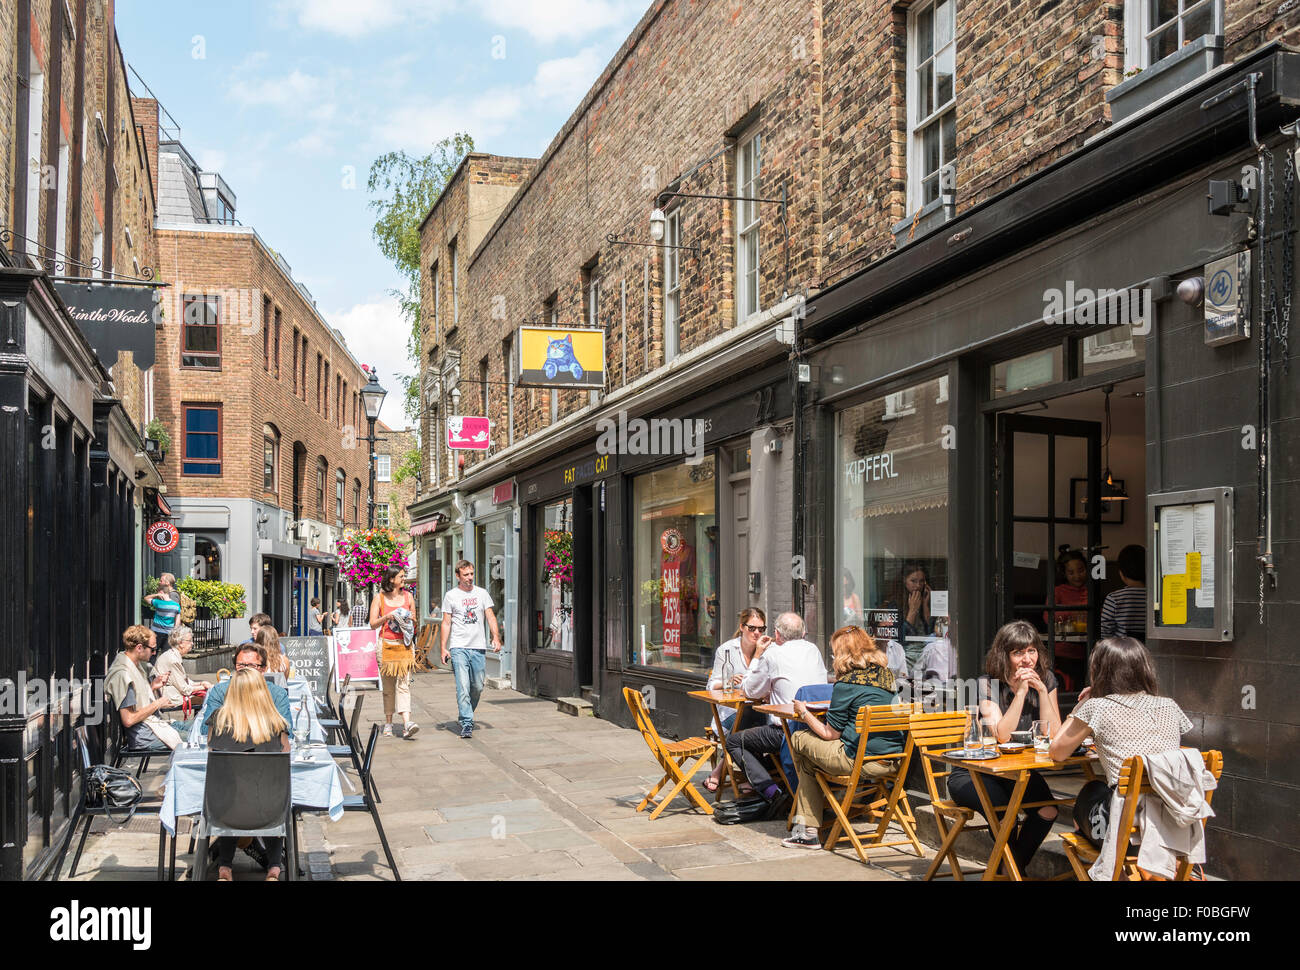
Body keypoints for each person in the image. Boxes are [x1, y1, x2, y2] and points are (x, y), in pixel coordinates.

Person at [1050, 636, 1193, 851]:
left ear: (1099, 670)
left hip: (1126, 825)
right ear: (1144, 668)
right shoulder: (1169, 706)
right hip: (1174, 822)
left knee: (1089, 792)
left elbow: (1057, 752)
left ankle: (1114, 872)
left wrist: (1082, 706)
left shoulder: (1097, 707)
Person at [947, 620, 1063, 873]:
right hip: (975, 772)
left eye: (1031, 651)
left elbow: (1054, 734)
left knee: (1048, 810)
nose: (1027, 659)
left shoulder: (1047, 679)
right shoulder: (987, 683)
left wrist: (1042, 692)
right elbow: (1001, 735)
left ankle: (1008, 871)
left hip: (1015, 771)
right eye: (1018, 652)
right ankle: (1010, 873)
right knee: (1005, 818)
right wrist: (1021, 693)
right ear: (1004, 655)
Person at [784, 626, 904, 848]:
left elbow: (830, 734)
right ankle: (809, 826)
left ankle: (809, 830)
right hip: (893, 761)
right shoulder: (887, 676)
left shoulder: (847, 683)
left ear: (841, 653)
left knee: (800, 739)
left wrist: (804, 712)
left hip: (859, 761)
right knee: (809, 761)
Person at [716, 613, 827, 824]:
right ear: (804, 633)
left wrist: (757, 656)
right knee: (754, 733)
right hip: (816, 727)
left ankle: (772, 793)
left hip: (787, 730)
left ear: (776, 634)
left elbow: (750, 690)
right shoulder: (813, 650)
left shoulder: (774, 654)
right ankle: (777, 786)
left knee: (734, 741)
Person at [208, 668, 291, 882]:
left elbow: (212, 756)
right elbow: (285, 757)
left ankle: (225, 868)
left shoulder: (218, 719)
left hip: (224, 811)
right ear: (262, 691)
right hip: (269, 810)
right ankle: (273, 868)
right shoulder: (276, 723)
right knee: (270, 792)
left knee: (231, 794)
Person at [702, 608, 767, 794]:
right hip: (729, 714)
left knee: (756, 719)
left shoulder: (767, 650)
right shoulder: (727, 650)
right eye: (752, 628)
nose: (757, 633)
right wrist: (727, 682)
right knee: (746, 718)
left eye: (761, 629)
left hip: (759, 711)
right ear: (742, 627)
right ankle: (753, 778)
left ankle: (722, 770)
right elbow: (710, 686)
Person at [439, 560, 502, 739]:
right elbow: (446, 622)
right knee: (463, 686)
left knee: (477, 686)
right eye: (465, 575)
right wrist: (443, 648)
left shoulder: (482, 593)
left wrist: (496, 637)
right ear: (458, 576)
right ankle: (467, 722)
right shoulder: (451, 595)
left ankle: (466, 713)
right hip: (459, 647)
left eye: (471, 574)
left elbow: (490, 616)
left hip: (478, 647)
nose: (469, 578)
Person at [104, 625, 187, 750]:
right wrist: (157, 704)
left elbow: (136, 699)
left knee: (198, 727)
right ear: (139, 648)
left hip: (151, 728)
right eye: (152, 649)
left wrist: (152, 687)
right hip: (145, 736)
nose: (154, 653)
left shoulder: (132, 666)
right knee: (199, 735)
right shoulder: (124, 675)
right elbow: (129, 719)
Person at [373, 566, 422, 739]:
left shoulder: (408, 597)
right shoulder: (379, 598)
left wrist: (409, 618)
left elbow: (415, 619)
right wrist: (387, 617)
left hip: (404, 645)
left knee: (404, 685)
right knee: (388, 687)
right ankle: (388, 722)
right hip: (386, 645)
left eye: (404, 576)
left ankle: (407, 722)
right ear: (391, 579)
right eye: (401, 576)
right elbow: (372, 623)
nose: (404, 578)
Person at [201, 644, 293, 737]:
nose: (245, 670)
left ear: (263, 669)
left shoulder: (277, 694)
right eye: (241, 665)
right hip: (230, 748)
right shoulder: (220, 691)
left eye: (252, 666)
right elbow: (205, 730)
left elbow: (287, 733)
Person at [154, 625, 215, 710]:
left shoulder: (172, 654)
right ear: (180, 643)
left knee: (209, 697)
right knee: (211, 699)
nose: (192, 643)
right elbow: (185, 689)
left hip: (173, 694)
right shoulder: (173, 660)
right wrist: (205, 687)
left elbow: (185, 681)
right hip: (172, 698)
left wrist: (201, 683)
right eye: (189, 641)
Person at [1100, 545, 1147, 640]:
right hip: (1148, 652)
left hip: (1122, 651)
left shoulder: (1114, 598)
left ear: (1121, 573)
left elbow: (1104, 633)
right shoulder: (1157, 597)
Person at [145, 573, 182, 642]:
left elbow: (174, 616)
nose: (159, 582)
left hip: (166, 632)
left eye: (161, 581)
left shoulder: (173, 595)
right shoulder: (168, 595)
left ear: (167, 583)